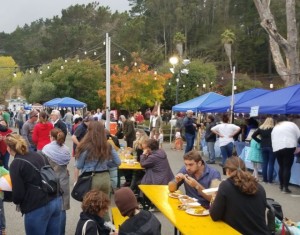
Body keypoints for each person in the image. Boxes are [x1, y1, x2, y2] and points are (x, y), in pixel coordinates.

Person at [5, 133, 62, 235]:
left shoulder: (16, 163)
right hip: (55, 200)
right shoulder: (38, 154)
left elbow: (18, 195)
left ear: (9, 148)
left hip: (37, 206)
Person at [209, 157, 269, 235]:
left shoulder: (226, 186)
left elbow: (214, 216)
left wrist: (214, 198)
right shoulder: (259, 187)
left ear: (228, 171)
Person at [75, 121, 121, 201]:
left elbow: (79, 165)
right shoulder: (107, 145)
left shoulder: (85, 146)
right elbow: (118, 162)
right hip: (105, 177)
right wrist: (107, 164)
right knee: (104, 207)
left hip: (91, 178)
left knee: (90, 207)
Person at [42, 128, 71, 235]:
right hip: (63, 178)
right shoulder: (66, 150)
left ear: (52, 137)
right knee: (62, 208)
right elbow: (66, 163)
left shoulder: (46, 149)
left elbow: (43, 165)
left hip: (49, 180)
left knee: (50, 206)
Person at [271, 116, 300, 193]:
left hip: (277, 147)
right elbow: (299, 136)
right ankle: (285, 187)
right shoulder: (292, 124)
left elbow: (272, 138)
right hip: (289, 146)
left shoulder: (276, 127)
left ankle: (281, 185)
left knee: (281, 166)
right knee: (287, 167)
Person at [252, 117, 275, 183]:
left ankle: (265, 179)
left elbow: (253, 136)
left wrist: (260, 141)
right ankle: (270, 180)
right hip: (271, 146)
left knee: (265, 163)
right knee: (271, 163)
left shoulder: (261, 128)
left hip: (263, 146)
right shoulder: (273, 129)